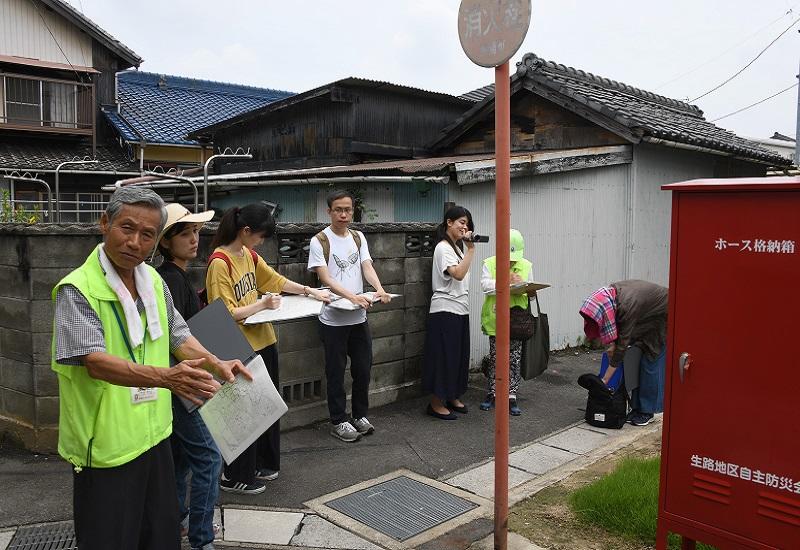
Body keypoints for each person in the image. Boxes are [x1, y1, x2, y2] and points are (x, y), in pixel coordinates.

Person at [51, 187, 250, 550]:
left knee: (159, 538)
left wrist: (216, 362)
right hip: (105, 449)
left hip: (155, 438)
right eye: (127, 228)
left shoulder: (154, 282)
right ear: (104, 223)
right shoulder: (78, 289)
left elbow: (178, 336)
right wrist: (166, 378)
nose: (135, 242)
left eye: (147, 235)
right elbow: (94, 362)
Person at [206, 202, 329, 494]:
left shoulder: (248, 254)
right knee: (245, 413)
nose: (262, 242)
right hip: (238, 346)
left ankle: (262, 464)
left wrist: (309, 291)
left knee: (265, 408)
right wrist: (262, 303)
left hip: (264, 339)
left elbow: (274, 280)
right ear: (246, 231)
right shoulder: (220, 262)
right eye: (260, 236)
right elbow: (222, 313)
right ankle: (234, 475)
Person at [156, 203, 220, 550]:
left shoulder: (178, 276)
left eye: (196, 231)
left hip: (182, 383)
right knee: (209, 457)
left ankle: (177, 521)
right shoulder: (169, 278)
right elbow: (178, 340)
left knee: (181, 458)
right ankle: (201, 539)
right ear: (165, 242)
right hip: (184, 385)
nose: (194, 239)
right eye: (185, 233)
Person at [307, 189, 392, 442]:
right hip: (333, 318)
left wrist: (378, 289)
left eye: (348, 209)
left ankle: (359, 415)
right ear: (329, 211)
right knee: (335, 371)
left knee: (363, 369)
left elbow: (367, 266)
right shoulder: (320, 240)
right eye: (338, 210)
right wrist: (351, 296)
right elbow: (325, 277)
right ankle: (338, 420)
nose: (344, 214)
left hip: (358, 317)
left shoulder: (358, 237)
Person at [579, 280, 668, 426]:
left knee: (650, 361)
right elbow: (613, 324)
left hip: (662, 317)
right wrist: (612, 344)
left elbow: (622, 345)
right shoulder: (613, 297)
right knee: (636, 361)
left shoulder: (627, 305)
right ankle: (637, 408)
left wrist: (605, 380)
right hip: (645, 316)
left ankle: (647, 411)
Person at [421, 205, 476, 420]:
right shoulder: (443, 248)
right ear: (449, 223)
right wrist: (471, 250)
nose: (465, 227)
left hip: (460, 309)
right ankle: (435, 403)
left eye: (467, 223)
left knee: (458, 356)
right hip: (445, 309)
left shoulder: (458, 248)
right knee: (444, 357)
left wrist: (467, 250)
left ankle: (452, 395)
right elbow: (458, 275)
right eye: (461, 222)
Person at [479, 228, 534, 416]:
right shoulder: (490, 263)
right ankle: (493, 392)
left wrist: (524, 285)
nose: (511, 261)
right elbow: (485, 286)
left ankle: (511, 395)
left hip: (517, 321)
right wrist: (505, 282)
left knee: (514, 358)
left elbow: (531, 293)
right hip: (495, 319)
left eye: (514, 257)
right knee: (496, 357)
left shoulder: (526, 265)